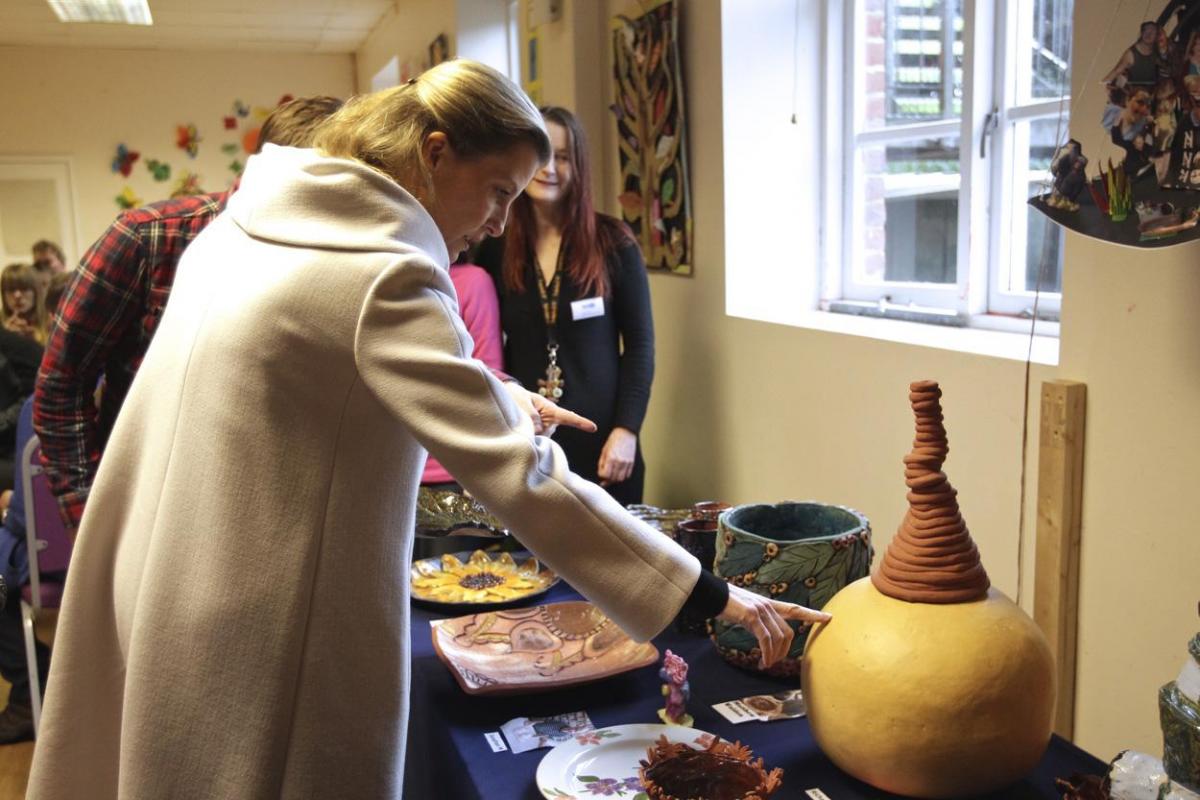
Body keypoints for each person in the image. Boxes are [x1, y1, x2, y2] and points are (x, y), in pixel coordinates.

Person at [26, 60, 827, 799]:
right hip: (265, 621)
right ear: (435, 154)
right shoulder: (386, 274)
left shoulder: (247, 230)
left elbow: (323, 357)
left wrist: (502, 394)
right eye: (497, 191)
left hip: (169, 579)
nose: (497, 220)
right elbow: (524, 477)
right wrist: (703, 590)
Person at [33, 95, 344, 538]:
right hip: (150, 516)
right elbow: (62, 384)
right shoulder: (148, 238)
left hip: (277, 518)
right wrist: (90, 520)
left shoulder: (339, 256)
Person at [480, 105, 655, 505]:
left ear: (578, 165)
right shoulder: (495, 246)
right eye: (542, 156)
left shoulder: (614, 242)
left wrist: (627, 430)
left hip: (606, 445)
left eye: (562, 157)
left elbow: (640, 348)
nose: (550, 169)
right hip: (532, 442)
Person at [1103, 21, 1165, 88]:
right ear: (1141, 33)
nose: (1148, 35)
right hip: (1135, 90)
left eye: (1152, 32)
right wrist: (1105, 82)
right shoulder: (1131, 54)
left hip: (1154, 89)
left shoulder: (1158, 52)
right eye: (1146, 31)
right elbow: (1117, 70)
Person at [1, 263, 47, 344]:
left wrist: (34, 341)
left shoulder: (52, 322)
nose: (17, 295)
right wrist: (5, 337)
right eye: (11, 290)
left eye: (24, 288)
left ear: (35, 292)